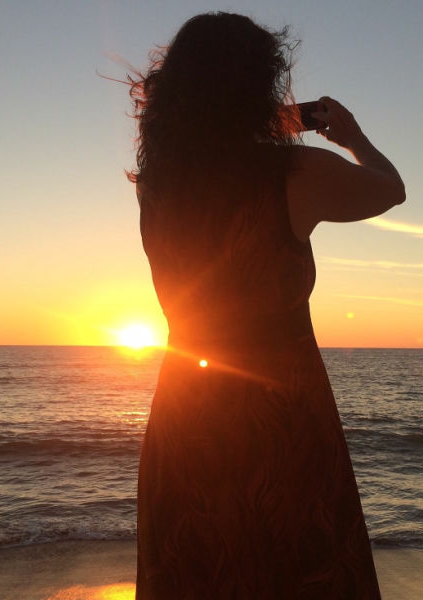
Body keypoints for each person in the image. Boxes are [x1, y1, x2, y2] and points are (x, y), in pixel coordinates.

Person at [129, 11, 405, 599]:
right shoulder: (294, 172)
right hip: (282, 417)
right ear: (259, 84)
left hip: (184, 411)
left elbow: (217, 146)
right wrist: (352, 135)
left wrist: (263, 124)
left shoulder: (157, 182)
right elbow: (389, 187)